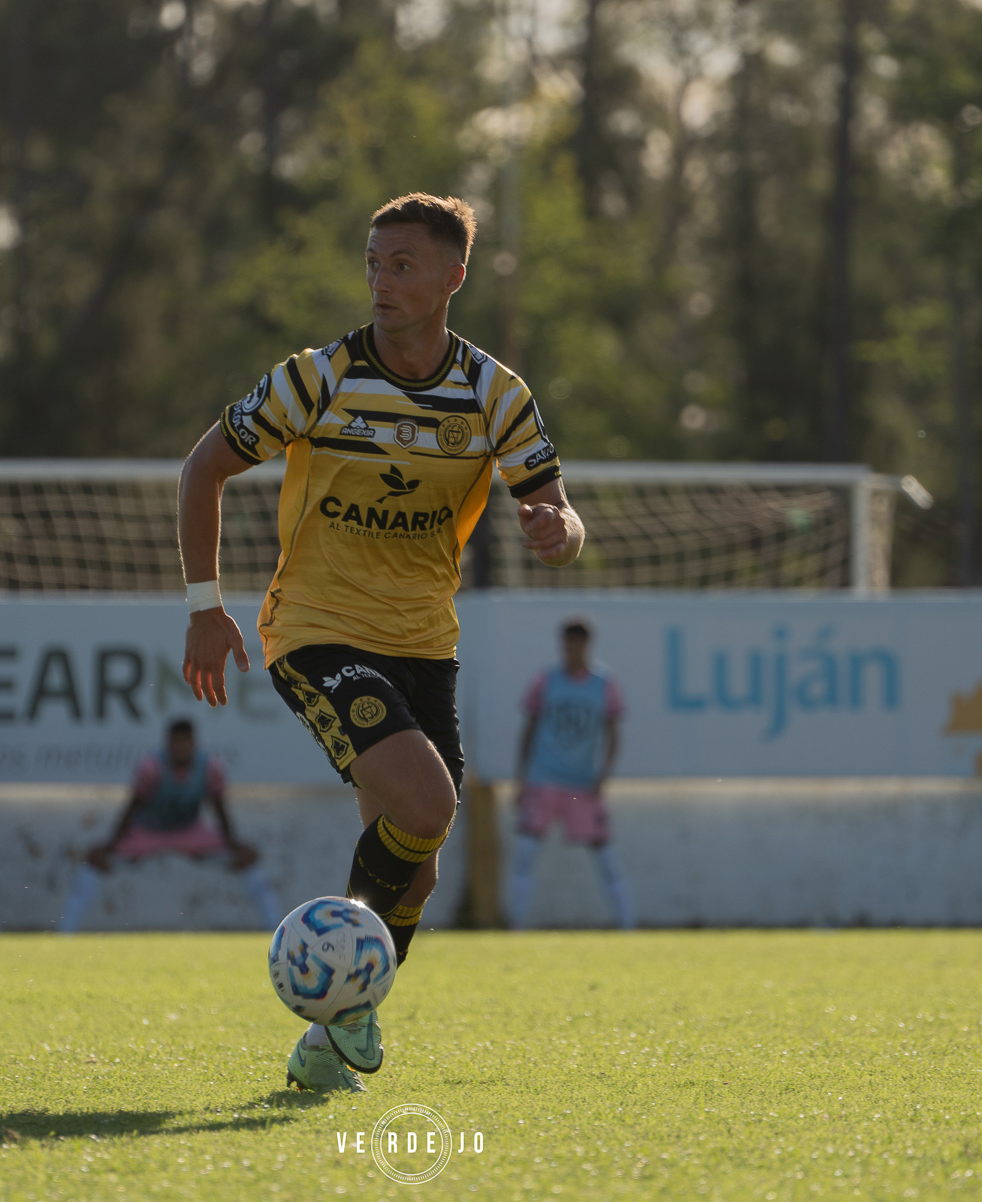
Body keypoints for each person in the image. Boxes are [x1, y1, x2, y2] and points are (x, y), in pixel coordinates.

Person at [178, 193, 586, 1092]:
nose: (380, 281)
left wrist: (560, 528)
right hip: (316, 630)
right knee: (430, 803)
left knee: (416, 864)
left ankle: (330, 1041)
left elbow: (551, 501)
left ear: (453, 277)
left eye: (401, 264)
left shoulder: (494, 393)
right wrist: (206, 606)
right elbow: (203, 465)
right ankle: (332, 993)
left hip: (424, 641)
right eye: (373, 262)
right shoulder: (316, 377)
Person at [58, 718, 280, 932]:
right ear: (168, 744)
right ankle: (66, 932)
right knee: (93, 861)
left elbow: (219, 809)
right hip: (148, 832)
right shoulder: (151, 767)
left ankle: (275, 929)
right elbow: (132, 808)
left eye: (186, 742)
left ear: (194, 744)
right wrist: (109, 846)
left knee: (249, 859)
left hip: (190, 831)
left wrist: (234, 845)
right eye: (176, 743)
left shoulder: (210, 768)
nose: (181, 748)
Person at [506, 617, 635, 930]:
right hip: (543, 779)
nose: (571, 649)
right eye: (566, 643)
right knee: (525, 853)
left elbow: (614, 732)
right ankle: (515, 927)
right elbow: (530, 728)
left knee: (605, 855)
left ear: (587, 644)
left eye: (577, 643)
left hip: (582, 783)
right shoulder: (546, 680)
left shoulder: (604, 684)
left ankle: (628, 926)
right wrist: (522, 778)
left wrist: (603, 775)